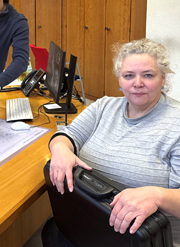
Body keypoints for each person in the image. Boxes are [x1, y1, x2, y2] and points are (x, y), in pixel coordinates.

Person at [44, 39, 180, 246]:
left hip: (136, 239)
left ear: (163, 79)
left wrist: (157, 195)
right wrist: (61, 149)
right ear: (120, 79)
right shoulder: (104, 106)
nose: (137, 83)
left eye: (148, 75)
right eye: (129, 75)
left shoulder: (176, 124)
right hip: (88, 222)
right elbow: (67, 135)